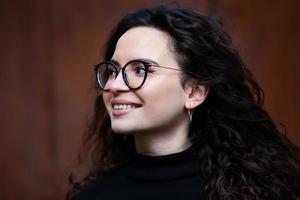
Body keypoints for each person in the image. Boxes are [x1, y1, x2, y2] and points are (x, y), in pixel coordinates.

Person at [66, 4, 300, 200]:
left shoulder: (254, 193)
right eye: (113, 70)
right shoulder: (93, 196)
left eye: (140, 70)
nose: (114, 85)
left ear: (194, 92)